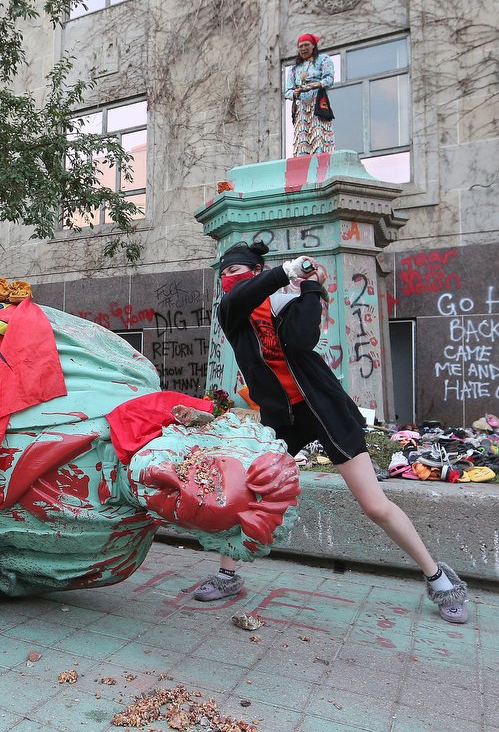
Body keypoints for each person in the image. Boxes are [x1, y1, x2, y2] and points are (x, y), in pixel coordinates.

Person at [195, 241, 471, 624]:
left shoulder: (288, 302)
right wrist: (290, 270)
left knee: (375, 505)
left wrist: (311, 288)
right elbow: (243, 295)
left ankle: (440, 580)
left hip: (324, 409)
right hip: (281, 419)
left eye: (239, 273)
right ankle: (227, 575)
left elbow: (300, 341)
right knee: (250, 493)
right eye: (226, 275)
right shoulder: (232, 312)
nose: (230, 281)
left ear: (256, 273)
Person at [286, 33, 334, 157]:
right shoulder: (294, 69)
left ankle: (321, 157)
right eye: (300, 46)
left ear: (313, 46)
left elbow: (329, 79)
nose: (303, 49)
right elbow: (287, 91)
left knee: (318, 131)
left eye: (306, 45)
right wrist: (295, 93)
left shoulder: (323, 59)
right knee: (302, 135)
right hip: (301, 106)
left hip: (317, 102)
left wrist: (314, 85)